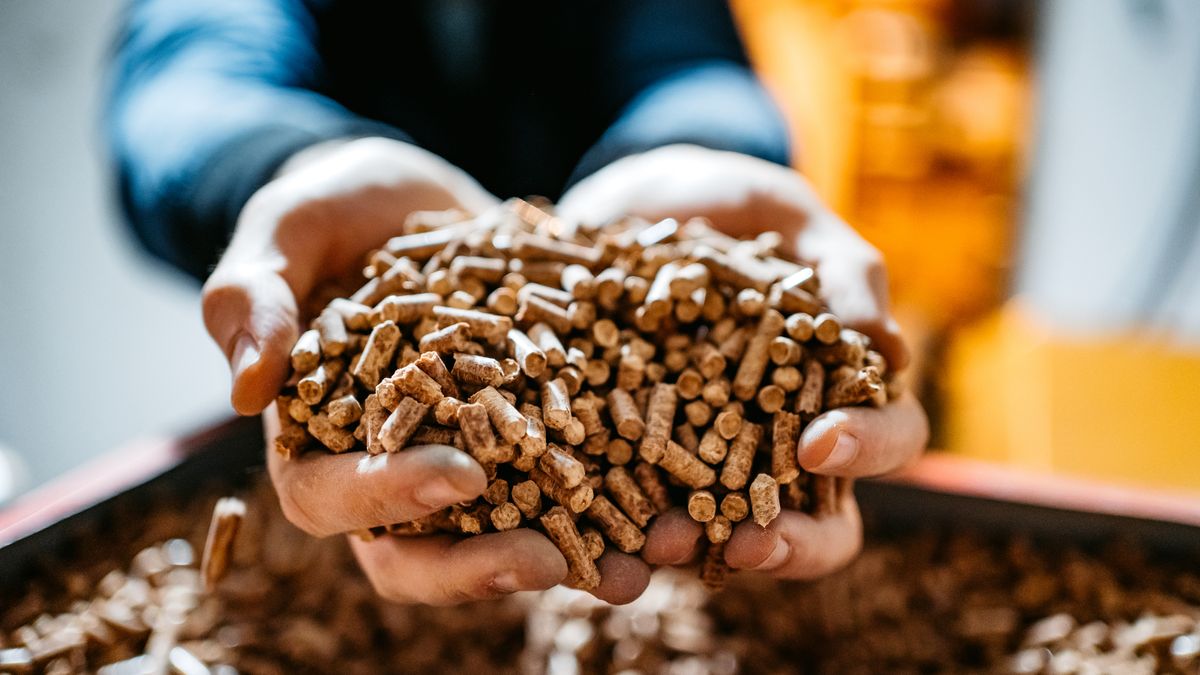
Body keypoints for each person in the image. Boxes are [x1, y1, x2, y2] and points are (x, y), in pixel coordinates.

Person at [107, 0, 928, 606]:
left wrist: (700, 153)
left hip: (602, 338)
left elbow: (688, 58)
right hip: (341, 379)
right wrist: (285, 167)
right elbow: (186, 79)